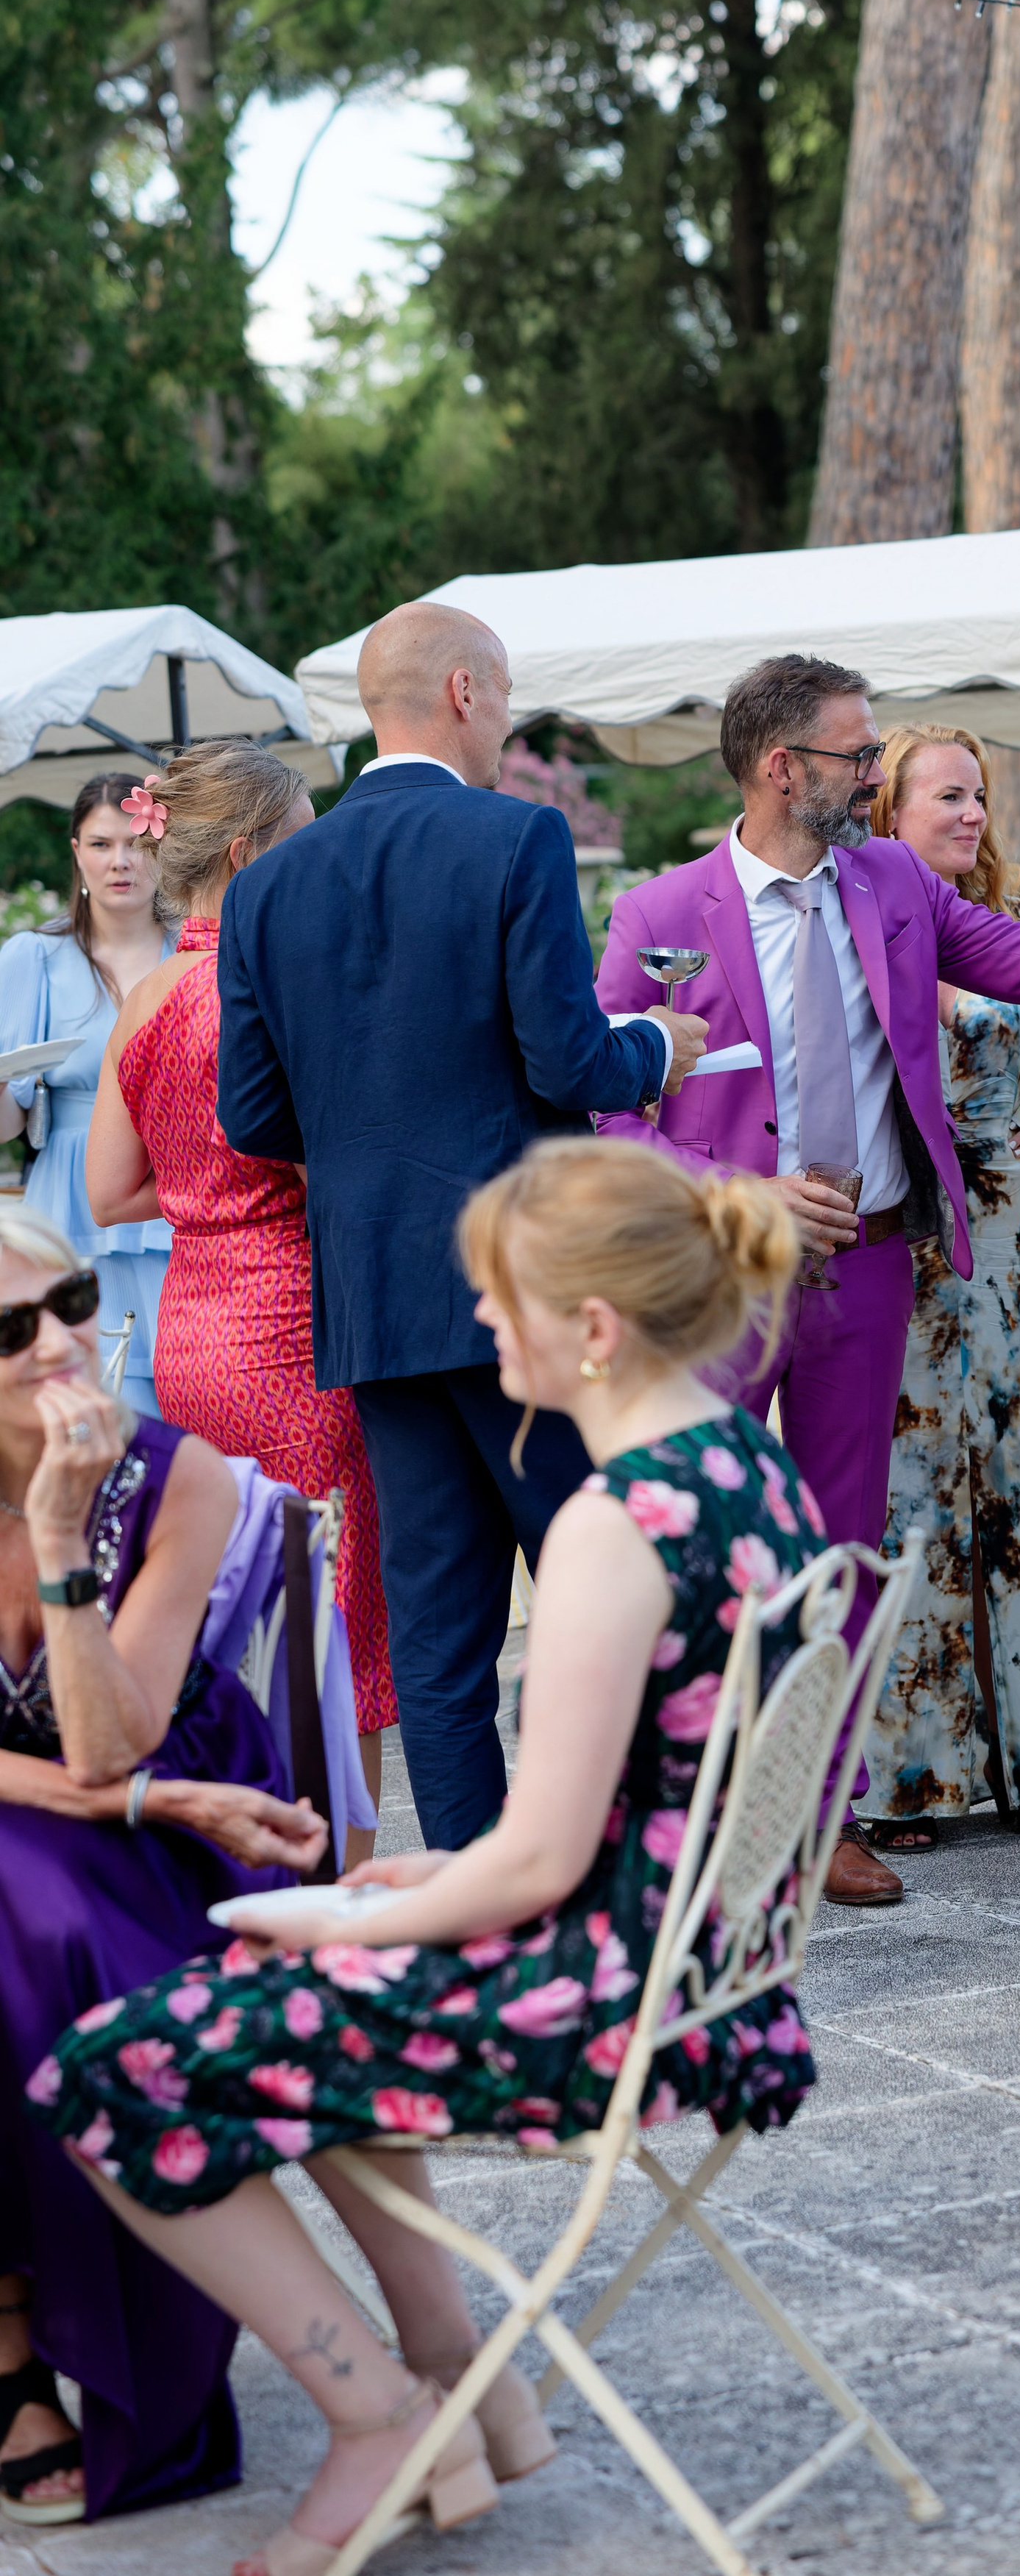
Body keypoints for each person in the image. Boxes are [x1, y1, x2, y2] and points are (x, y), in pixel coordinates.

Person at [32, 1137, 821, 2576]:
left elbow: (528, 1865)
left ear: (588, 1329)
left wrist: (370, 1917)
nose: (477, 1325)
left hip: (605, 2002)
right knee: (294, 1992)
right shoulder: (740, 1464)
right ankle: (471, 2379)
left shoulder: (612, 1523)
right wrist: (389, 1900)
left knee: (117, 2068)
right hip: (710, 1968)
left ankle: (376, 2408)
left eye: (494, 1299)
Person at [597, 652, 1020, 1905]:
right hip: (722, 1279)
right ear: (783, 770)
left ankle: (820, 1816)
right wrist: (734, 1196)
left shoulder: (892, 880)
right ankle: (691, 1815)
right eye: (856, 754)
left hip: (872, 1266)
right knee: (711, 1543)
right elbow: (603, 1108)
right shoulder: (659, 917)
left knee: (844, 1547)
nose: (874, 768)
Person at [213, 603, 705, 1851]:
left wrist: (368, 1142)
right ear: (468, 694)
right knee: (602, 1586)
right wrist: (656, 1048)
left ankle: (482, 1901)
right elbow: (565, 1059)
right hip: (517, 1290)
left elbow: (255, 1117)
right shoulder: (515, 839)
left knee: (437, 1631)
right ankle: (610, 1872)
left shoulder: (266, 888)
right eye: (510, 698)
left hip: (373, 1297)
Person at [0, 1198, 327, 2530]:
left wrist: (66, 1534)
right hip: (77, 1816)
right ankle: (15, 2345)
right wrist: (132, 1789)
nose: (59, 1343)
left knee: (47, 1916)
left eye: (71, 1299)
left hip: (157, 1823)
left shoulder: (169, 1473)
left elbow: (100, 1746)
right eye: (9, 1327)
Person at [85, 739, 397, 1829]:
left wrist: (205, 1193)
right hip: (299, 1333)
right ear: (251, 850)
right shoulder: (282, 992)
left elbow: (110, 1192)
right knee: (334, 1621)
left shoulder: (148, 995)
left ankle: (251, 1851)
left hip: (192, 1336)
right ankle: (337, 1880)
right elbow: (339, 1176)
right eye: (307, 837)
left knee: (237, 1605)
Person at [861, 726, 1020, 1847]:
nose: (971, 813)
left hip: (1010, 1254)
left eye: (979, 795)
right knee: (910, 1508)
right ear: (889, 815)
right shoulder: (856, 931)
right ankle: (913, 1780)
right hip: (899, 1251)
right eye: (946, 796)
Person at [0, 776, 174, 1415]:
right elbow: (9, 1123)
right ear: (76, 852)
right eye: (102, 844)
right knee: (96, 1398)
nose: (120, 861)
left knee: (193, 1397)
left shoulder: (198, 950)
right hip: (71, 1200)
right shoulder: (34, 958)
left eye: (135, 843)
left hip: (174, 1189)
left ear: (162, 846)